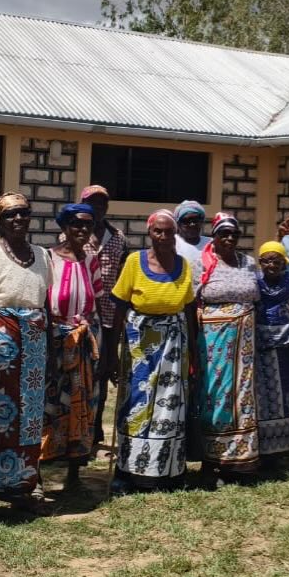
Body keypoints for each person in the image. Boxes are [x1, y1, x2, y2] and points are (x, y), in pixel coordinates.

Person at [0, 193, 52, 517]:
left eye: (23, 213)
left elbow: (45, 306)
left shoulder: (43, 256)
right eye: (10, 215)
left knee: (29, 419)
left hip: (34, 343)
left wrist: (50, 353)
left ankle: (21, 488)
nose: (18, 219)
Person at [107, 209, 197, 495]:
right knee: (137, 405)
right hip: (140, 343)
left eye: (168, 231)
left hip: (173, 345)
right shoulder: (135, 262)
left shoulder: (184, 266)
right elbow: (119, 306)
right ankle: (128, 472)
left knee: (170, 407)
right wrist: (112, 350)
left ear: (175, 235)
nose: (163, 236)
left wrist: (194, 351)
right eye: (157, 231)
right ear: (150, 233)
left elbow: (190, 309)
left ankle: (167, 472)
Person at [195, 212, 261, 483]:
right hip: (214, 341)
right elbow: (193, 299)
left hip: (245, 343)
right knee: (215, 393)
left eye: (234, 233)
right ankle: (213, 460)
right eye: (224, 233)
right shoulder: (203, 262)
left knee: (243, 396)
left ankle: (241, 462)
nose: (230, 238)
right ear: (215, 236)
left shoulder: (248, 262)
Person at [41, 202, 102, 488]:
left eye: (87, 225)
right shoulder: (47, 258)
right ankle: (40, 470)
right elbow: (42, 300)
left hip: (83, 341)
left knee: (83, 404)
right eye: (76, 224)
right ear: (64, 228)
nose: (82, 229)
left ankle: (74, 472)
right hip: (54, 339)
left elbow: (98, 301)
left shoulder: (91, 259)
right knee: (50, 404)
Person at [82, 184, 128, 444]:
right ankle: (83, 425)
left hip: (111, 316)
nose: (97, 208)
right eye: (92, 203)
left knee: (107, 367)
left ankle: (98, 427)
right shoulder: (74, 234)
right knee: (86, 370)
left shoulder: (118, 237)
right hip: (85, 316)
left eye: (102, 204)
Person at [254, 241, 289, 462]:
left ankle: (281, 450)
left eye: (276, 260)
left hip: (286, 349)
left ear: (284, 262)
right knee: (262, 399)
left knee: (284, 397)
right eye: (266, 260)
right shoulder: (254, 285)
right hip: (260, 348)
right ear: (260, 263)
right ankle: (263, 450)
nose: (271, 264)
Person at [174, 200, 212, 281]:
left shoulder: (211, 244)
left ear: (202, 222)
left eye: (196, 220)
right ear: (178, 224)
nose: (192, 224)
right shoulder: (172, 242)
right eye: (186, 221)